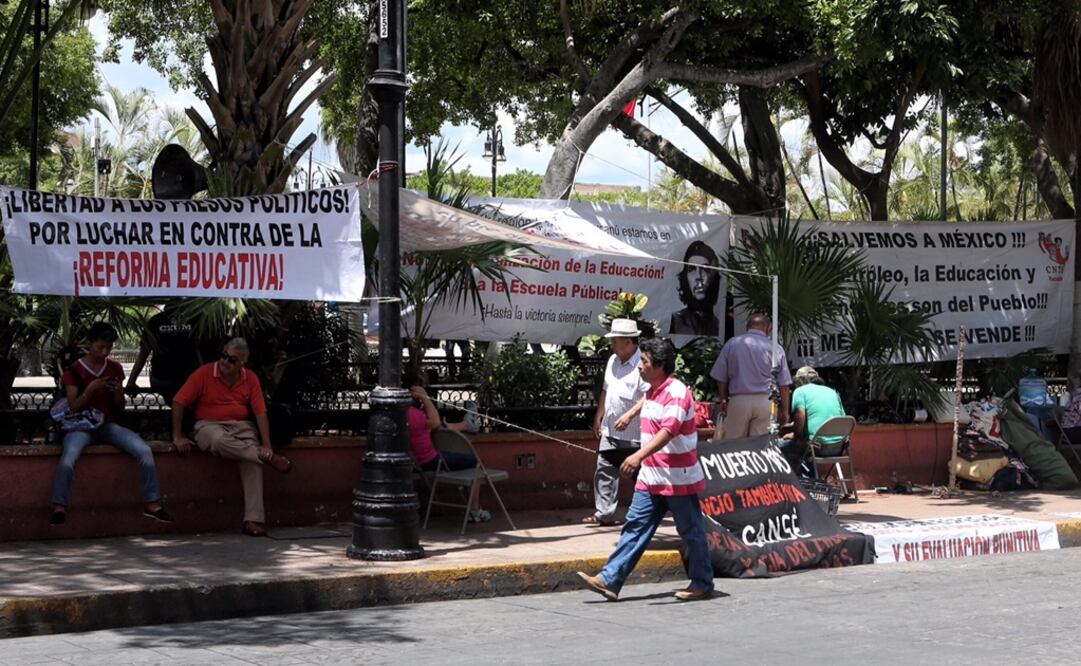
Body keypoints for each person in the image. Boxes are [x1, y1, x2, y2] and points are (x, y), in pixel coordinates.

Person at [576, 338, 714, 602]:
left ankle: (702, 582)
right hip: (652, 475)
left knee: (691, 530)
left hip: (676, 477)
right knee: (635, 526)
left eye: (645, 362)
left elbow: (669, 430)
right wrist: (631, 414)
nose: (639, 366)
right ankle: (609, 578)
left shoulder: (676, 392)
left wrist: (638, 455)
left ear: (660, 366)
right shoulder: (654, 389)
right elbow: (648, 401)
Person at [50, 322, 172, 526]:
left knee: (143, 450)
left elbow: (119, 405)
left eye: (109, 347)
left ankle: (152, 503)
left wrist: (117, 391)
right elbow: (74, 407)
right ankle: (59, 506)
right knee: (69, 454)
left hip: (107, 423)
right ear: (89, 344)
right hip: (81, 425)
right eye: (100, 347)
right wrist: (90, 390)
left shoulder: (114, 367)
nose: (105, 352)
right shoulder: (75, 370)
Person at [171, 337, 293, 537]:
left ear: (242, 363)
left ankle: (253, 520)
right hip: (209, 425)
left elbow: (260, 412)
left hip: (241, 426)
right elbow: (178, 401)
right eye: (223, 356)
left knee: (252, 462)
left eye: (232, 360)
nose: (225, 362)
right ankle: (264, 457)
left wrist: (267, 445)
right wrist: (177, 436)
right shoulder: (204, 373)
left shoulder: (250, 378)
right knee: (220, 440)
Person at [583, 318, 648, 526]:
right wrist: (599, 415)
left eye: (615, 340)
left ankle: (645, 514)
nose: (612, 344)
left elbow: (651, 395)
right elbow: (606, 390)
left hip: (636, 434)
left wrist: (630, 415)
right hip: (610, 430)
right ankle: (604, 514)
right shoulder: (612, 361)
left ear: (629, 342)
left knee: (640, 474)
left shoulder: (643, 364)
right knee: (604, 469)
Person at [405, 371, 487, 522]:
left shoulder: (401, 414)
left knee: (438, 427)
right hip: (430, 461)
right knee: (475, 463)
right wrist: (426, 398)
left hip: (416, 461)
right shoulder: (412, 414)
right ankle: (474, 510)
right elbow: (435, 422)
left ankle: (466, 424)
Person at [710, 313, 793, 439]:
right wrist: (785, 411)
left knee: (732, 446)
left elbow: (721, 377)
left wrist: (723, 399)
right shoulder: (776, 348)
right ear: (768, 328)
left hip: (739, 400)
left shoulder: (732, 344)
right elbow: (784, 384)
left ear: (748, 327)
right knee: (760, 447)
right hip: (766, 402)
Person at [126, 304, 202, 404]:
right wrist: (131, 380)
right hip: (166, 377)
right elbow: (144, 352)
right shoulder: (194, 319)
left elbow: (143, 353)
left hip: (175, 377)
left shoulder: (194, 319)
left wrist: (132, 380)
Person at [784, 366, 846, 456]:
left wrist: (795, 437)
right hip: (839, 448)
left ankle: (801, 470)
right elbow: (843, 420)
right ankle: (810, 469)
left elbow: (800, 416)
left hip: (816, 448)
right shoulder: (832, 392)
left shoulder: (800, 391)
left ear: (800, 381)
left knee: (779, 446)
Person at [669, 241, 721, 336]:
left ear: (713, 276)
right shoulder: (677, 321)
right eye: (692, 269)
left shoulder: (717, 323)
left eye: (705, 269)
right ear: (685, 277)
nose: (698, 276)